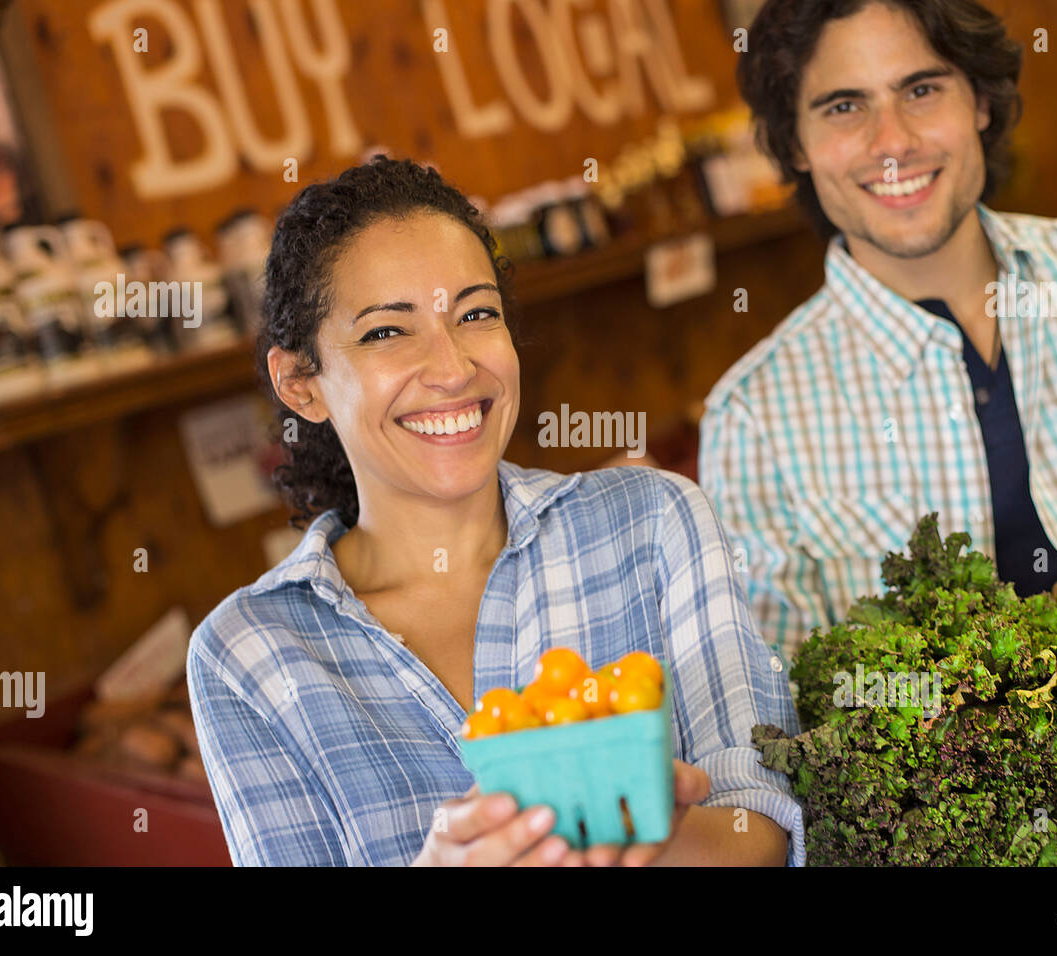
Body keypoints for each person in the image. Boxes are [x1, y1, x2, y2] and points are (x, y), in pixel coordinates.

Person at [186, 156, 805, 866]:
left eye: (476, 314)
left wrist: (652, 834)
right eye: (389, 331)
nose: (452, 369)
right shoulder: (247, 651)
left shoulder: (652, 520)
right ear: (301, 384)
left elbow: (760, 831)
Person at [699, 0, 1057, 664]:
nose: (892, 141)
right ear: (793, 144)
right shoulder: (754, 420)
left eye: (921, 90)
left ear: (980, 102)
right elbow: (779, 708)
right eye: (844, 107)